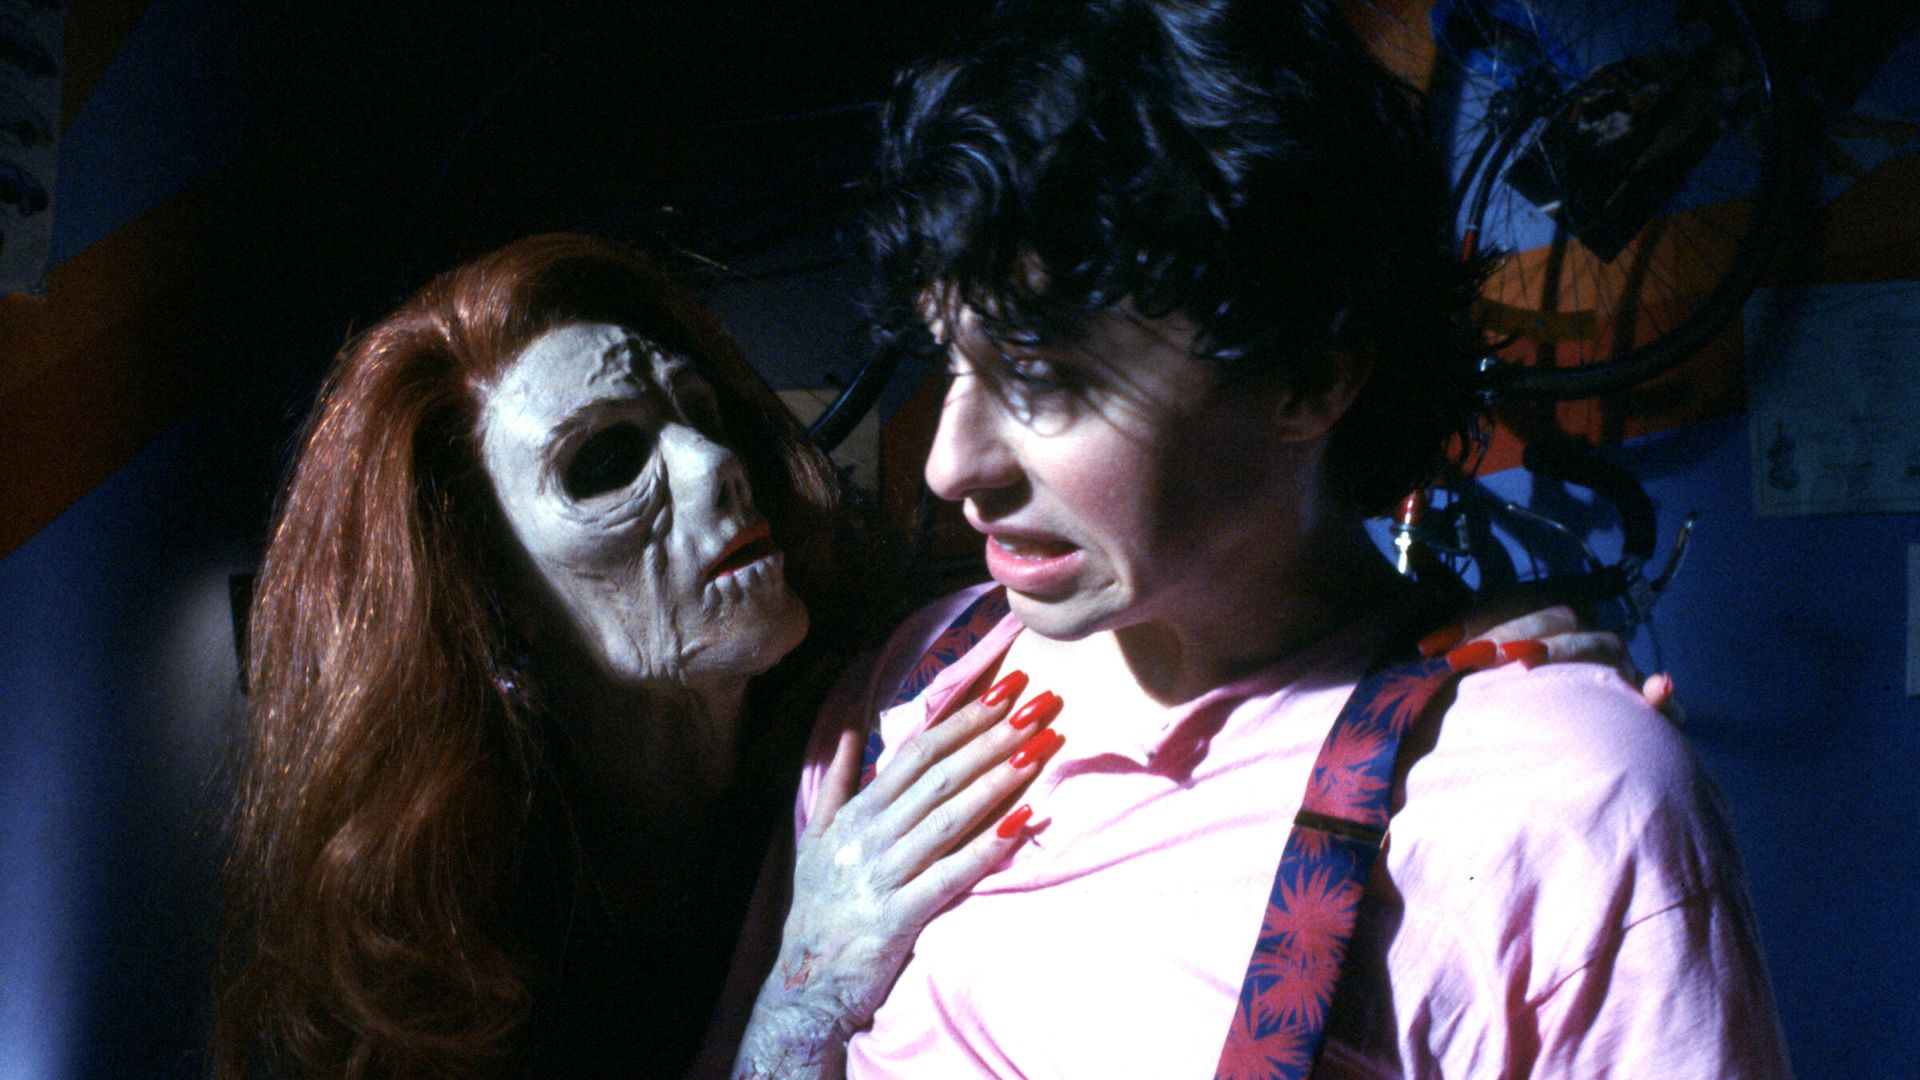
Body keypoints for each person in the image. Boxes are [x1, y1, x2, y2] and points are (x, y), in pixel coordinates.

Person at [738, 1, 1790, 1076]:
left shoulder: (1554, 799)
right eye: (951, 359)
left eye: (1042, 377)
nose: (948, 464)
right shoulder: (917, 684)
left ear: (1310, 375)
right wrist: (797, 1002)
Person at [212, 234, 1057, 1078]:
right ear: (490, 593)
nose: (715, 462)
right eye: (606, 462)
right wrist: (798, 1006)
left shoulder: (883, 703)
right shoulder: (450, 932)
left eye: (700, 411)